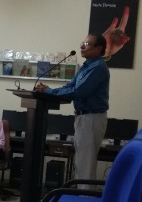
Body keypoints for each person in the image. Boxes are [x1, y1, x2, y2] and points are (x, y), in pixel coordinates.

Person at [35, 34, 110, 184]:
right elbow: (70, 86)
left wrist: (49, 91)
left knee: (85, 163)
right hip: (83, 117)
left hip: (91, 118)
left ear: (99, 48)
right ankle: (80, 193)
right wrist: (50, 90)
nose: (81, 46)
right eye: (82, 43)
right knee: (81, 161)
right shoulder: (86, 66)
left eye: (86, 44)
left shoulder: (98, 68)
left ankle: (84, 196)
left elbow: (79, 91)